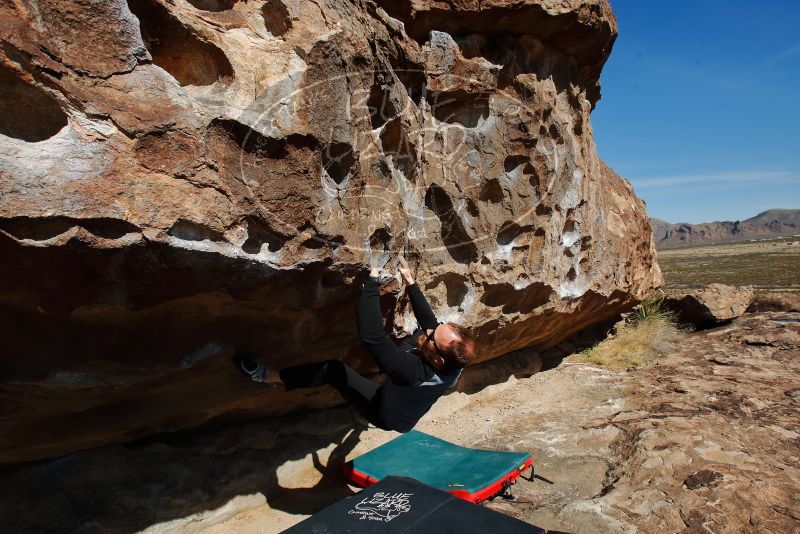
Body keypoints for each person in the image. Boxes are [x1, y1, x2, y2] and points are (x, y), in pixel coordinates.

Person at [235, 256, 476, 432]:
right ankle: (388, 381)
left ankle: (268, 376)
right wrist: (411, 283)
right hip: (403, 392)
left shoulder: (413, 371)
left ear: (438, 359)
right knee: (414, 339)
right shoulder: (456, 360)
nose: (430, 331)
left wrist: (371, 285)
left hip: (386, 414)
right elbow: (430, 324)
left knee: (334, 371)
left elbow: (372, 335)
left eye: (433, 338)